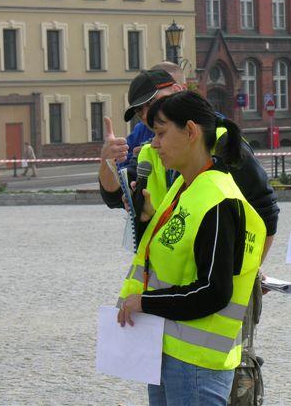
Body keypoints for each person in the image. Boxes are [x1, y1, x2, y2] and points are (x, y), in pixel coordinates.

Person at [100, 67, 279, 405]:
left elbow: (214, 291)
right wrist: (146, 217)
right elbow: (171, 253)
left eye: (161, 132)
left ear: (191, 132)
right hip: (168, 345)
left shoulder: (216, 196)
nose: (153, 142)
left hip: (196, 360)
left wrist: (145, 302)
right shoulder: (185, 186)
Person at [119, 62, 187, 169]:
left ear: (177, 90)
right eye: (139, 110)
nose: (146, 116)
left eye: (151, 102)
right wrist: (108, 160)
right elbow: (120, 172)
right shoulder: (141, 131)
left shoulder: (210, 127)